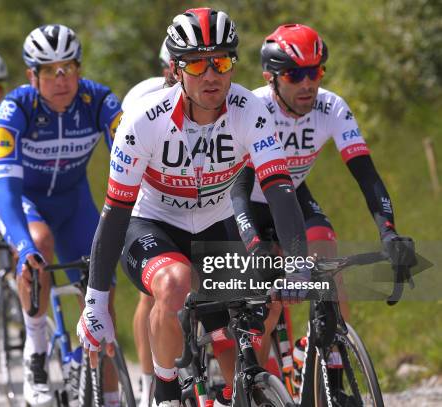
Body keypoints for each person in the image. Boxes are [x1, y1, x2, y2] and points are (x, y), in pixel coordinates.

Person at [76, 8, 311, 406]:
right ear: (176, 69)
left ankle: (245, 391)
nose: (210, 76)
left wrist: (298, 262)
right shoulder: (143, 122)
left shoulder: (251, 112)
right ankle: (166, 390)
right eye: (197, 64)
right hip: (152, 225)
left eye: (220, 62)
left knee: (251, 321)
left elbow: (279, 189)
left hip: (215, 225)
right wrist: (95, 302)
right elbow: (115, 213)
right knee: (174, 285)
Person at [231, 23, 416, 398]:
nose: (307, 83)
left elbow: (367, 175)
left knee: (327, 257)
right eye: (295, 74)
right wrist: (254, 243)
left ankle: (327, 365)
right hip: (248, 199)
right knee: (267, 306)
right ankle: (258, 392)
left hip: (293, 194)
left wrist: (389, 233)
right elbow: (238, 189)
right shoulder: (254, 108)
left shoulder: (331, 107)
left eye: (315, 71)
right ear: (271, 78)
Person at [0, 24, 122, 406]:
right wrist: (22, 244)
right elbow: (5, 188)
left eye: (68, 68)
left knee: (104, 297)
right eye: (49, 71)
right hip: (27, 200)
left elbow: (130, 159)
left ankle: (108, 395)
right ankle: (35, 350)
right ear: (32, 76)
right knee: (38, 248)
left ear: (79, 69)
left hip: (74, 201)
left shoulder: (99, 101)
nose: (61, 79)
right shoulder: (17, 108)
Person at [121, 37, 178, 407]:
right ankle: (148, 386)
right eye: (174, 66)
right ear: (165, 67)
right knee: (152, 294)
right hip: (151, 205)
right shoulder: (144, 99)